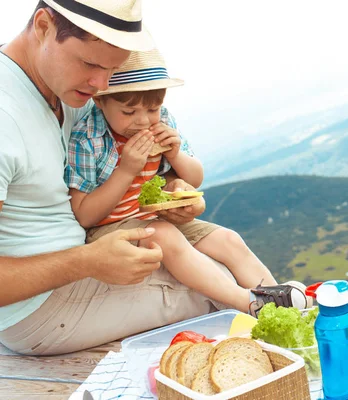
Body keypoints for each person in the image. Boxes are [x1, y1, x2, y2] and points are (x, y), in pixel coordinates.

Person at [0, 0, 301, 356]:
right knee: (239, 288)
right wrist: (87, 260)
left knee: (232, 259)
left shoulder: (59, 84)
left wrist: (177, 194)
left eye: (112, 70)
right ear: (43, 25)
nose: (100, 85)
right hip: (43, 310)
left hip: (85, 267)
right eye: (90, 63)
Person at [65, 48, 310, 316]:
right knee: (164, 235)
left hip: (155, 219)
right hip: (111, 230)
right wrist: (125, 170)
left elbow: (195, 178)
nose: (143, 120)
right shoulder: (87, 139)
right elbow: (85, 216)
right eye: (129, 111)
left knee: (229, 239)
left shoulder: (164, 122)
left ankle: (285, 310)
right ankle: (250, 302)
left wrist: (175, 155)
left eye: (152, 109)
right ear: (101, 103)